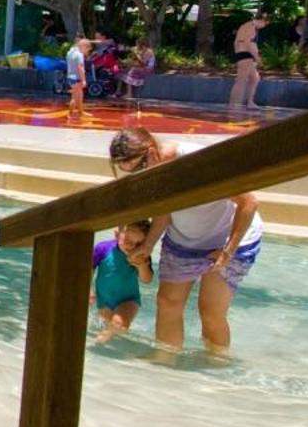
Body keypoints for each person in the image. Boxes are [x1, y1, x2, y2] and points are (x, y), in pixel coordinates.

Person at [109, 127, 262, 353]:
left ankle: (216, 365)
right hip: (184, 240)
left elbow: (249, 202)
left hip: (230, 238)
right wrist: (149, 244)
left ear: (152, 152)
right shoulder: (154, 171)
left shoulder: (195, 163)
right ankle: (165, 362)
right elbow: (166, 210)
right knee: (167, 302)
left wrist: (228, 251)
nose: (137, 177)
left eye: (138, 169)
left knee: (210, 311)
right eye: (127, 173)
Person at [90, 221, 154, 342]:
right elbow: (89, 267)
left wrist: (142, 266)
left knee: (118, 324)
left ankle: (98, 342)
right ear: (117, 233)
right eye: (128, 240)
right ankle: (107, 349)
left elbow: (147, 280)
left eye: (137, 243)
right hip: (104, 301)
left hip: (129, 300)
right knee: (112, 327)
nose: (131, 246)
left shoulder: (141, 255)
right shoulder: (103, 248)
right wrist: (89, 289)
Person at [229, 9, 270, 109]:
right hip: (246, 55)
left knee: (255, 78)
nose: (264, 27)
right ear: (262, 21)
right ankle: (233, 104)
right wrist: (256, 57)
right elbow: (247, 43)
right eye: (265, 24)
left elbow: (237, 42)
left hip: (245, 54)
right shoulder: (250, 26)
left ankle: (250, 102)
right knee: (241, 79)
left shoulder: (248, 26)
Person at [65, 36, 91, 117]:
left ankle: (81, 112)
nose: (86, 52)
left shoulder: (70, 52)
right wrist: (84, 80)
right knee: (75, 97)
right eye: (87, 50)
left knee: (80, 96)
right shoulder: (79, 55)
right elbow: (81, 68)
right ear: (83, 46)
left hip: (70, 77)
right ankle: (69, 114)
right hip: (76, 78)